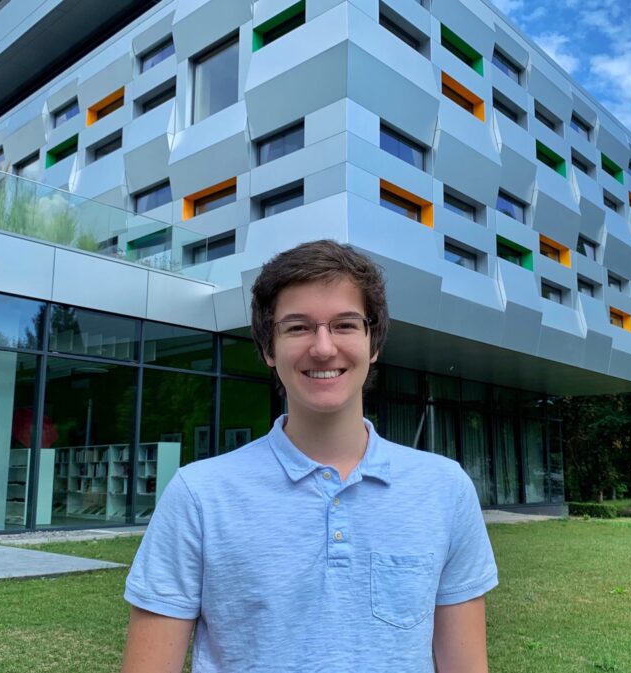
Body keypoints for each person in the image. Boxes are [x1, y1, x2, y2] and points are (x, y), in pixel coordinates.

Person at [121, 240, 497, 672]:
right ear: (269, 349)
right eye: (298, 327)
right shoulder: (199, 496)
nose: (322, 347)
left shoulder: (445, 489)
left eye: (345, 325)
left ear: (373, 343)